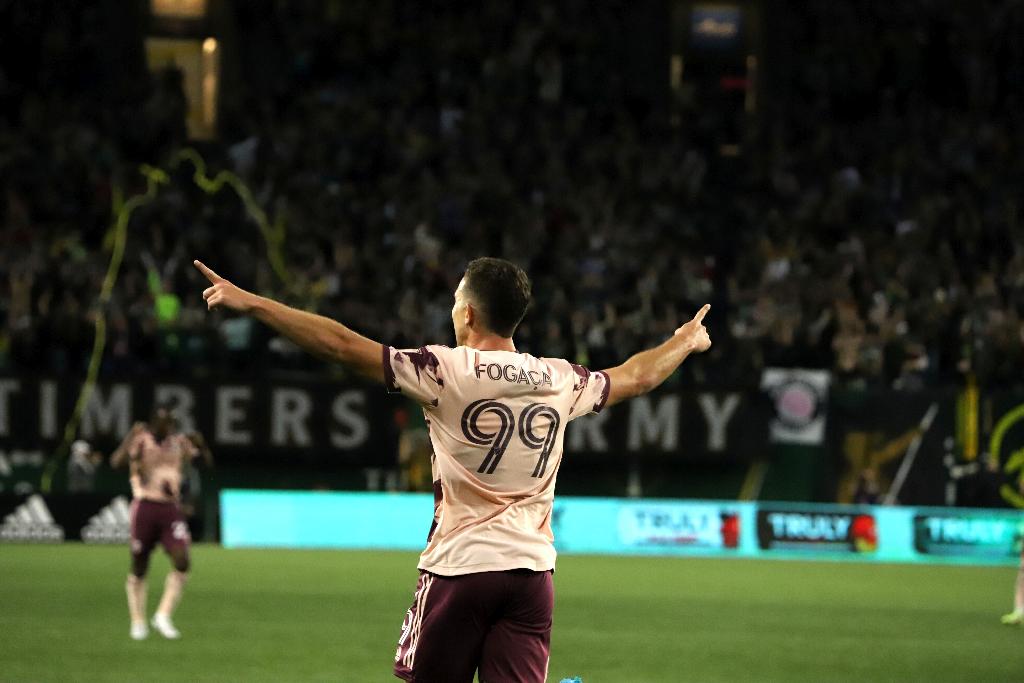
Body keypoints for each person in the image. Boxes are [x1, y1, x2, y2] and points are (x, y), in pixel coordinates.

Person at [193, 256, 711, 681]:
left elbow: (340, 345)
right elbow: (636, 377)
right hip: (532, 574)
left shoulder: (444, 371)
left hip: (459, 568)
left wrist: (254, 304)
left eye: (455, 302)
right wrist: (684, 341)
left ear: (467, 315)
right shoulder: (560, 379)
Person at [110, 406, 210, 640]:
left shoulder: (178, 442)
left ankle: (163, 615)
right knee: (139, 566)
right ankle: (137, 620)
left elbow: (204, 464)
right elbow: (116, 462)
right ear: (154, 423)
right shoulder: (142, 440)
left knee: (182, 560)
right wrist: (129, 438)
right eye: (165, 423)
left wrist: (202, 445)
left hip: (170, 509)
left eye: (172, 423)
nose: (170, 427)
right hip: (145, 506)